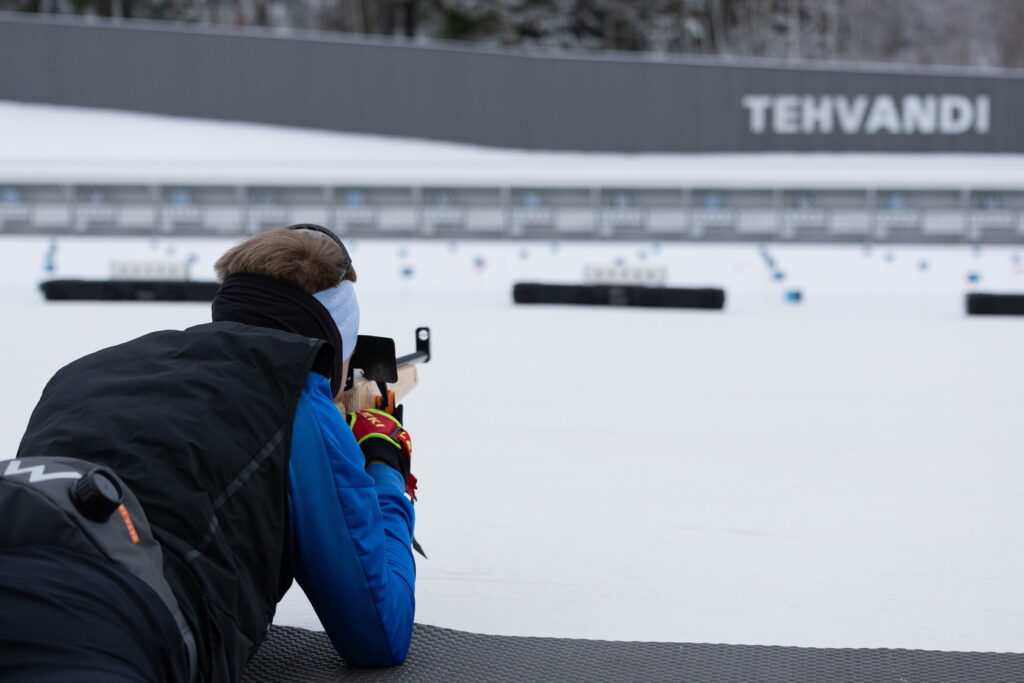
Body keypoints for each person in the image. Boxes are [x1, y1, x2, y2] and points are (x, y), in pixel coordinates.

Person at [0, 225, 417, 682]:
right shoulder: (295, 401)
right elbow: (377, 632)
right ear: (335, 340)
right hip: (120, 618)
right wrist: (384, 461)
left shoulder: (84, 371)